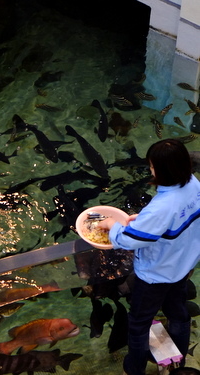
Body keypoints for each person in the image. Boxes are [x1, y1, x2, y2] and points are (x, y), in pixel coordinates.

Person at [98, 139, 200, 375]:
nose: (151, 170)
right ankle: (179, 361)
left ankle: (134, 368)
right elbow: (171, 222)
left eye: (152, 166)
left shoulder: (162, 205)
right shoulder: (193, 184)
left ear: (161, 170)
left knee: (138, 323)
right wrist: (143, 220)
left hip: (155, 274)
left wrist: (113, 225)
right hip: (181, 266)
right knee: (179, 314)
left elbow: (129, 240)